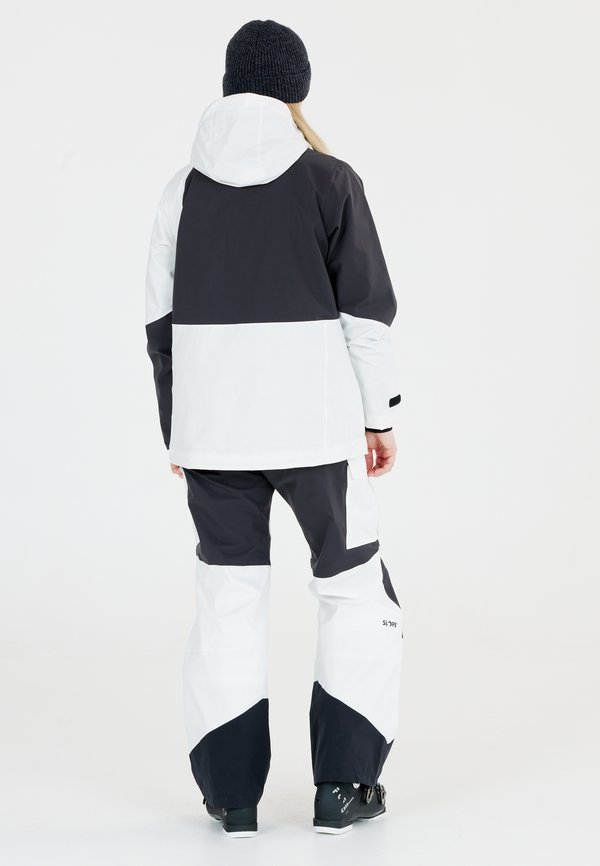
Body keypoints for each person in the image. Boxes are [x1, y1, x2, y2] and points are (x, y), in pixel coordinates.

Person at [144, 18, 404, 837]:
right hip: (318, 434)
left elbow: (160, 327)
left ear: (230, 84)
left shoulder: (182, 189)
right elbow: (367, 314)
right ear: (296, 88)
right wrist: (379, 417)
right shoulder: (330, 180)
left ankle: (232, 799)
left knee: (228, 597)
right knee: (354, 588)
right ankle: (344, 789)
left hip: (215, 436)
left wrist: (179, 431)